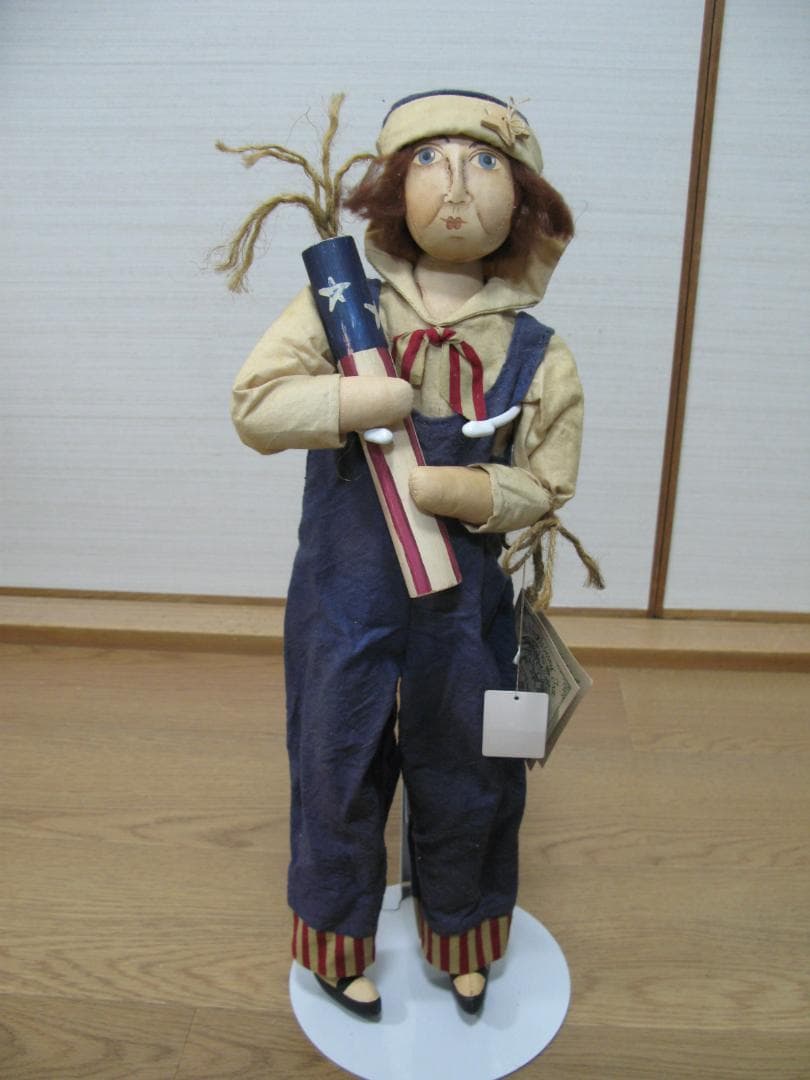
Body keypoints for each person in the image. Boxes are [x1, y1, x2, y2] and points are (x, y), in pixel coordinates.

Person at [230, 90, 584, 1018]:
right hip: (344, 589)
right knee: (335, 752)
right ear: (392, 185)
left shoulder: (535, 350)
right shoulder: (340, 305)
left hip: (465, 601)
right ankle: (333, 937)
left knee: (469, 760)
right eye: (430, 160)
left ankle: (463, 930)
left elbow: (550, 480)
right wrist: (354, 401)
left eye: (484, 163)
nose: (456, 186)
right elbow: (256, 404)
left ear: (526, 200)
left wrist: (477, 492)